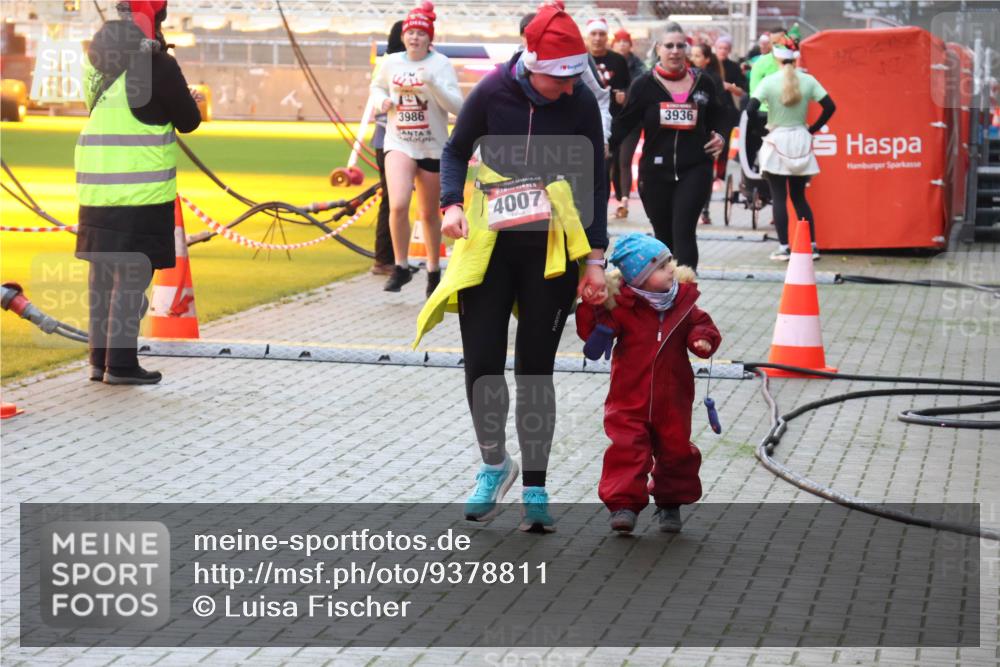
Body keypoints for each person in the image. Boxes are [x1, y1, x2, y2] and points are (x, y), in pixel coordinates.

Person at [413, 1, 608, 533]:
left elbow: (595, 182)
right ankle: (495, 464)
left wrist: (594, 261)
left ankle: (537, 485)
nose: (568, 90)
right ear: (534, 63)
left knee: (535, 371)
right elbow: (454, 152)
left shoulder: (581, 103)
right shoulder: (492, 91)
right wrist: (451, 202)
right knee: (482, 364)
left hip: (549, 254)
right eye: (559, 80)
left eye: (575, 80)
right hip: (489, 249)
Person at [75, 0, 201, 385]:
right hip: (140, 192)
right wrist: (188, 98)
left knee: (102, 279)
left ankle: (100, 362)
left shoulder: (94, 63)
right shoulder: (158, 66)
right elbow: (188, 121)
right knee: (131, 280)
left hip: (96, 188)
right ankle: (123, 366)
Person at [576, 233, 721, 534]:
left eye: (669, 262)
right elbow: (592, 331)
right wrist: (591, 306)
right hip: (629, 398)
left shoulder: (683, 302)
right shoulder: (624, 306)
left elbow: (701, 323)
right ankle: (624, 504)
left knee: (676, 451)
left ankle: (670, 503)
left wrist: (702, 338)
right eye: (660, 266)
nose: (670, 269)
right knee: (627, 448)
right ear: (638, 279)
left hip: (674, 398)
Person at [610, 22, 726, 271]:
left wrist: (722, 137)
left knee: (683, 230)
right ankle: (665, 297)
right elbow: (623, 124)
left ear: (686, 49)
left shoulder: (703, 82)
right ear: (658, 49)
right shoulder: (643, 85)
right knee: (663, 237)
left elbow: (720, 116)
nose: (675, 51)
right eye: (669, 46)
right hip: (655, 172)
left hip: (695, 167)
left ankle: (686, 294)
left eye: (680, 46)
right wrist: (603, 147)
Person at [370, 2, 463, 295]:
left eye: (421, 33)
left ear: (429, 38)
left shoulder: (441, 64)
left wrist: (433, 84)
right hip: (398, 142)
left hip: (433, 147)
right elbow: (377, 88)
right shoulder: (391, 62)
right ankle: (400, 265)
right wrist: (380, 102)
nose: (414, 38)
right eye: (410, 32)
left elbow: (458, 107)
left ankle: (434, 270)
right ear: (403, 36)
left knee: (429, 214)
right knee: (397, 204)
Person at [747, 34, 836, 261]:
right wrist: (813, 129)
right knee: (799, 197)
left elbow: (750, 109)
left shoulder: (769, 82)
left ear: (775, 56)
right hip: (800, 139)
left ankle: (784, 247)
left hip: (777, 139)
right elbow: (830, 106)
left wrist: (762, 129)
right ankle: (812, 246)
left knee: (779, 197)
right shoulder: (808, 80)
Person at [519, 12, 611, 152]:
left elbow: (600, 98)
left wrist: (602, 137)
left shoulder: (576, 61)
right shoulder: (512, 68)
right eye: (527, 35)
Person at [370, 20, 405, 276]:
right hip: (391, 142)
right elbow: (380, 109)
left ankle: (392, 257)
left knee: (395, 202)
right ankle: (384, 259)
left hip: (401, 143)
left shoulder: (393, 64)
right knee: (392, 202)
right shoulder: (391, 67)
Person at [586, 18, 631, 212]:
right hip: (584, 121)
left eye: (602, 34)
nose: (597, 38)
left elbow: (629, 87)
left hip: (610, 123)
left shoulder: (618, 60)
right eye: (594, 34)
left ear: (607, 37)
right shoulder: (580, 59)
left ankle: (600, 215)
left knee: (604, 169)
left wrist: (624, 96)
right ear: (587, 37)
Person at [610, 28, 646, 219]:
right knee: (613, 162)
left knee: (625, 160)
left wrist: (628, 95)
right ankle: (618, 195)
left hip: (632, 120)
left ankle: (624, 200)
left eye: (626, 41)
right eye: (619, 41)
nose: (622, 45)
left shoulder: (638, 66)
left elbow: (641, 87)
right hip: (612, 119)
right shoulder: (609, 64)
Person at [689, 42, 723, 225]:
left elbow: (718, 110)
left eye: (698, 55)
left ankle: (705, 209)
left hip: (706, 135)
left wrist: (718, 135)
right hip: (689, 136)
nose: (694, 59)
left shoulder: (711, 80)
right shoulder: (685, 77)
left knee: (705, 175)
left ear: (707, 59)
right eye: (692, 55)